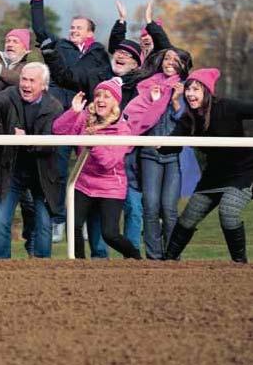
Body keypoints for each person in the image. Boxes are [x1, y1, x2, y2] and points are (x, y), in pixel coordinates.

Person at [30, 0, 110, 248]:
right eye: (72, 27)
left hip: (89, 119)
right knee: (60, 170)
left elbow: (104, 79)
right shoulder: (61, 48)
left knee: (90, 169)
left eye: (79, 28)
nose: (73, 31)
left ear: (90, 33)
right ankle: (59, 218)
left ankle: (87, 221)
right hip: (64, 117)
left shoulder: (99, 53)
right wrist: (38, 0)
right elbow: (40, 31)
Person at [53, 77, 165, 259]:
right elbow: (58, 131)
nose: (101, 100)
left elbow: (108, 162)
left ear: (115, 102)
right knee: (73, 226)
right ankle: (79, 268)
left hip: (110, 186)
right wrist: (73, 112)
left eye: (106, 96)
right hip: (82, 183)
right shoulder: (85, 118)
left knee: (110, 234)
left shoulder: (123, 129)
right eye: (98, 95)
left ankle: (135, 258)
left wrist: (92, 141)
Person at [164, 68, 253, 263]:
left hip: (244, 173)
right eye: (188, 89)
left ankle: (240, 265)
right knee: (187, 219)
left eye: (195, 89)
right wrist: (158, 146)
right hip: (213, 176)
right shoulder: (188, 118)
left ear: (207, 91)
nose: (190, 94)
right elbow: (171, 144)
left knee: (228, 211)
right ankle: (168, 262)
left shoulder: (227, 106)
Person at [0, 62, 63, 259]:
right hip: (13, 170)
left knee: (43, 223)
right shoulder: (11, 94)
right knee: (1, 219)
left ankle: (43, 267)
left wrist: (26, 141)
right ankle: (2, 265)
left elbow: (50, 144)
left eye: (32, 81)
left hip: (43, 174)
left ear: (44, 85)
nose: (26, 84)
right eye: (24, 79)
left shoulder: (55, 107)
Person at [0, 28, 42, 257]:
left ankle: (33, 248)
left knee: (29, 203)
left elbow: (22, 80)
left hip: (24, 149)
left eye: (15, 40)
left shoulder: (32, 63)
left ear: (25, 47)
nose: (10, 43)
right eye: (7, 40)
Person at [124, 47, 192, 259]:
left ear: (183, 63)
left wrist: (175, 101)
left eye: (175, 58)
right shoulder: (147, 85)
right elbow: (137, 116)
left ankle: (172, 256)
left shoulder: (188, 87)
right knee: (150, 206)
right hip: (148, 154)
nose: (169, 61)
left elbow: (187, 121)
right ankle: (154, 257)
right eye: (166, 58)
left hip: (174, 157)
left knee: (169, 209)